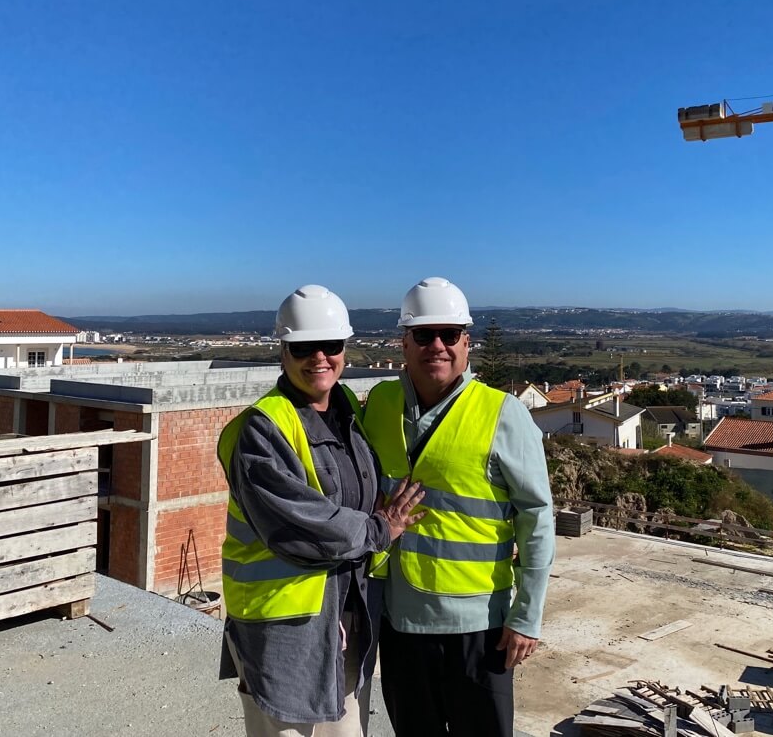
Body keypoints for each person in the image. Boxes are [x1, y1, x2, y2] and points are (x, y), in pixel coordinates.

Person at [217, 284, 424, 737]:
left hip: (345, 615)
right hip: (285, 627)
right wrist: (378, 529)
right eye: (303, 347)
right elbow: (298, 523)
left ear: (345, 349)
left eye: (330, 345)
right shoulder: (262, 429)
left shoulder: (347, 408)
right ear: (283, 351)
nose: (319, 357)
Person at [362, 277, 555, 737]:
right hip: (400, 622)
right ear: (403, 343)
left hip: (478, 627)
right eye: (424, 335)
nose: (438, 346)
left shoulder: (503, 413)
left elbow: (537, 518)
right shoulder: (379, 405)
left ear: (467, 344)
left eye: (450, 335)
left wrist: (527, 615)